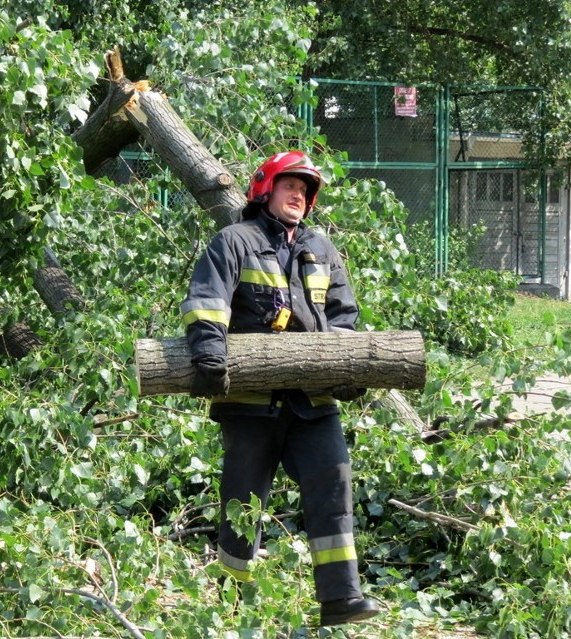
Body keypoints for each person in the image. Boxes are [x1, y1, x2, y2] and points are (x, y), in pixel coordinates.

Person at [180, 150, 380, 626]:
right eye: (290, 185)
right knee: (244, 502)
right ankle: (231, 604)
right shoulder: (233, 241)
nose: (299, 195)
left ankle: (340, 599)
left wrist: (345, 366)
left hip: (313, 401)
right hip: (249, 400)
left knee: (333, 483)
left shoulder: (322, 249)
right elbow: (206, 301)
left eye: (305, 190)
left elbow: (343, 318)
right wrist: (209, 351)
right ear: (265, 189)